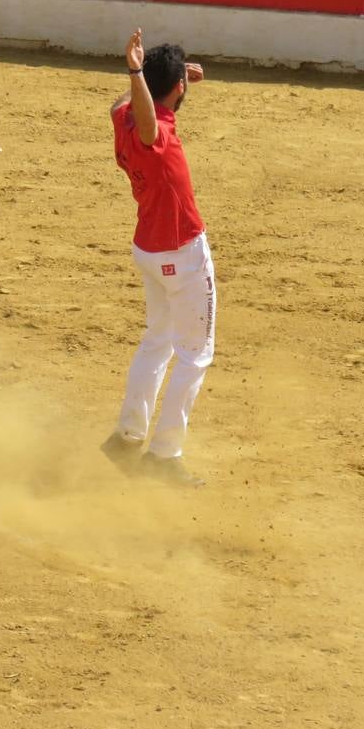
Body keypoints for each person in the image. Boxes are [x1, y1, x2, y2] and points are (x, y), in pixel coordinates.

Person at [100, 28, 215, 489]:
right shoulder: (154, 131)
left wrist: (143, 77)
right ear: (180, 88)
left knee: (158, 342)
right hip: (182, 253)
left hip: (148, 248)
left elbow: (121, 106)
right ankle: (164, 455)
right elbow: (151, 124)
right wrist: (136, 71)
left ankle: (127, 437)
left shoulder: (122, 118)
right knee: (195, 355)